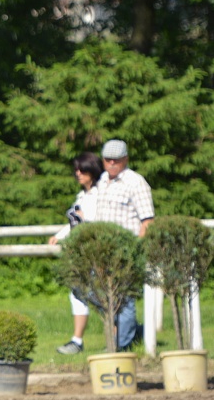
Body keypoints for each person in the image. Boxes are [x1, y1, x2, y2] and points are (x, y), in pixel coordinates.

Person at [57, 140, 154, 354]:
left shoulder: (136, 182)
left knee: (124, 300)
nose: (111, 163)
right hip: (101, 252)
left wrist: (135, 251)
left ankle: (121, 347)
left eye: (116, 160)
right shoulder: (102, 180)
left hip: (126, 252)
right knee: (83, 289)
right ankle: (133, 333)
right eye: (107, 159)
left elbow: (147, 222)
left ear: (125, 159)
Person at [50, 152, 103, 355]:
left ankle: (122, 334)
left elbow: (96, 220)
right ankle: (77, 340)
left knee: (98, 295)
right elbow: (74, 222)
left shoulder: (100, 194)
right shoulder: (82, 195)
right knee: (78, 293)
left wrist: (84, 218)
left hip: (94, 252)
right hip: (79, 252)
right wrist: (59, 235)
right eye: (76, 170)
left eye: (83, 170)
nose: (78, 173)